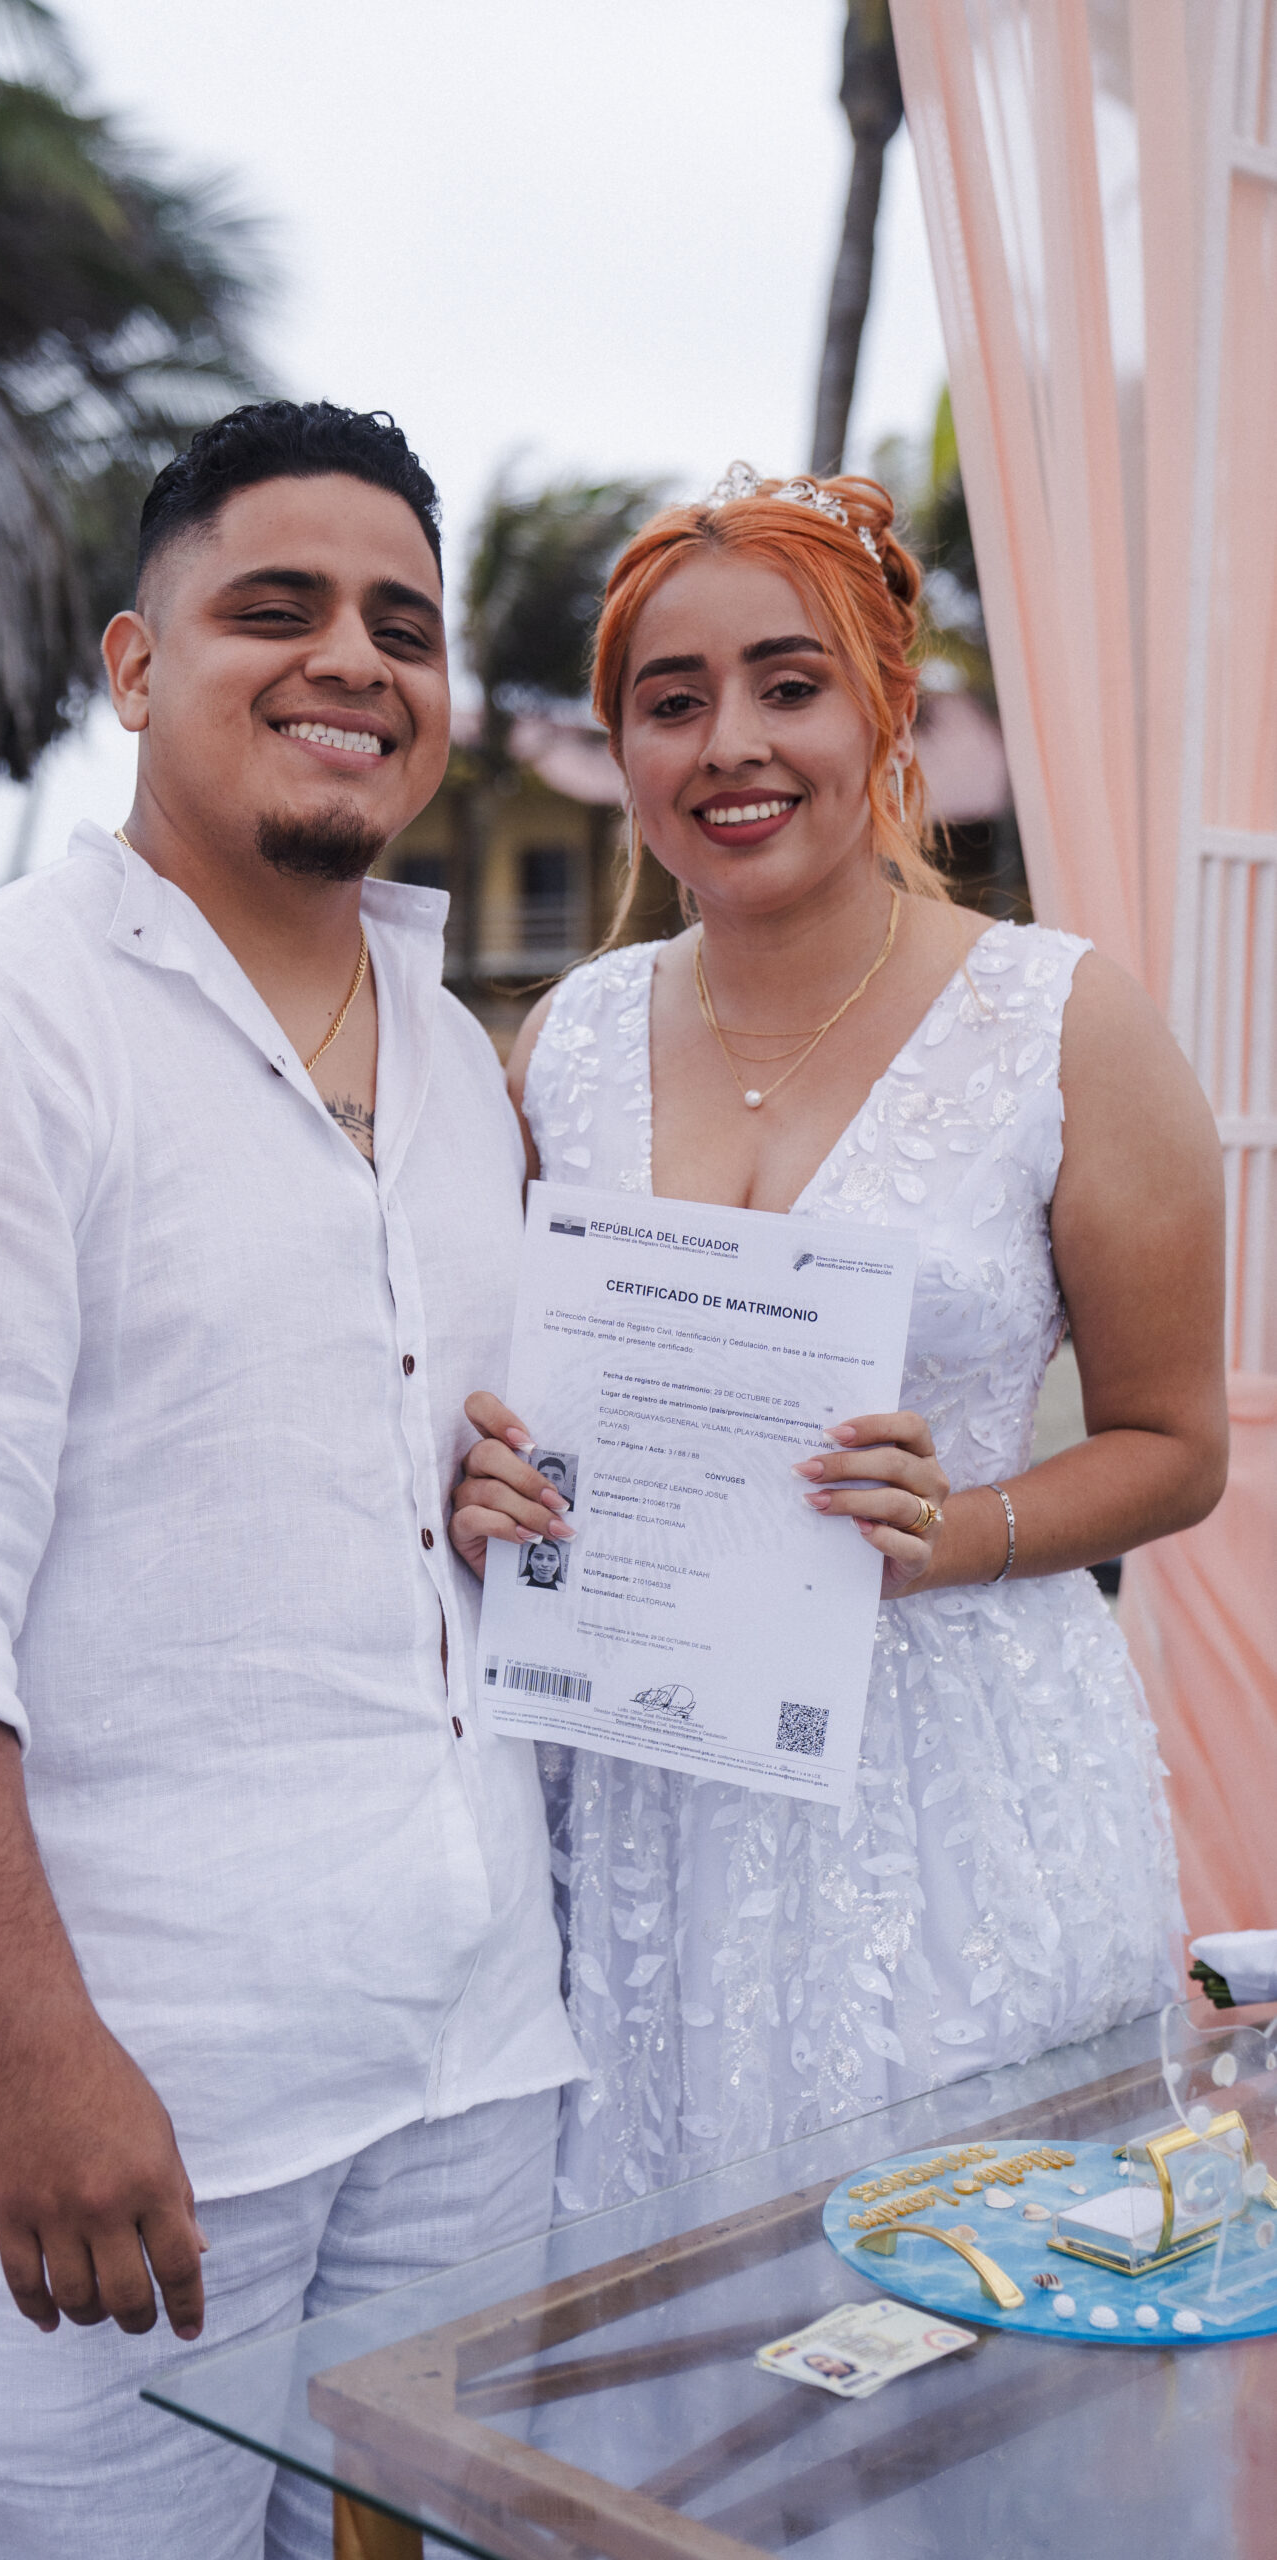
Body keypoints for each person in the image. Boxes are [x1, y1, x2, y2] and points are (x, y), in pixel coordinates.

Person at [0, 400, 582, 2557]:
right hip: (132, 2083)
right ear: (135, 664)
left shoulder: (469, 1067)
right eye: (274, 607)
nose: (350, 661)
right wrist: (32, 2044)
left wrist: (499, 1487)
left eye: (400, 623)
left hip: (478, 2060)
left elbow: (406, 1482)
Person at [449, 467, 1228, 2215]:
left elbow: (1179, 1446)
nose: (732, 744)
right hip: (644, 1792)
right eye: (673, 703)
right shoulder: (563, 1042)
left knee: (972, 2310)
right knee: (648, 2332)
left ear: (886, 714)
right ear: (625, 749)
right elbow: (519, 1385)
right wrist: (496, 1476)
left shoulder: (1063, 1019)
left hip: (952, 1783)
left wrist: (957, 1531)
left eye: (788, 686)